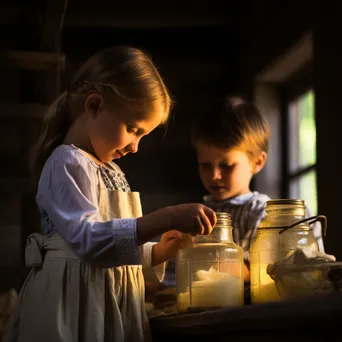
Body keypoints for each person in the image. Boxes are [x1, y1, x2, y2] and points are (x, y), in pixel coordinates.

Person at [2, 46, 216, 342]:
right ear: (94, 106)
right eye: (133, 129)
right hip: (74, 304)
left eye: (143, 136)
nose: (135, 146)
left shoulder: (113, 171)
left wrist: (155, 252)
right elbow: (88, 242)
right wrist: (162, 219)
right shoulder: (67, 162)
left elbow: (112, 247)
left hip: (107, 302)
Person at [187, 96, 323, 283]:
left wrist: (196, 264)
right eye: (205, 165)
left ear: (257, 162)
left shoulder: (262, 212)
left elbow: (252, 270)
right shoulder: (200, 214)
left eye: (227, 166)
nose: (215, 175)